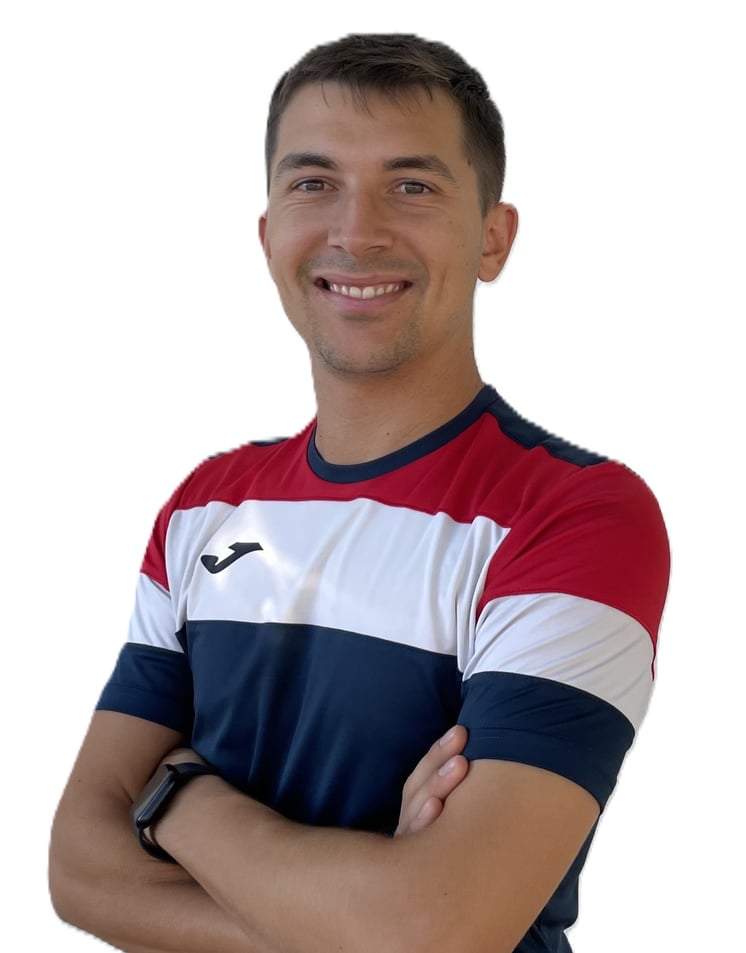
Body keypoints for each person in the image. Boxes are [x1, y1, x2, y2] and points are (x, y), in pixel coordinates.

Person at [49, 33, 670, 953]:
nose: (356, 231)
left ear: (493, 237)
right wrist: (354, 924)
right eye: (314, 183)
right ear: (268, 234)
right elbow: (77, 869)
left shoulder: (576, 515)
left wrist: (177, 795)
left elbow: (436, 930)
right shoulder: (203, 507)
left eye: (411, 186)